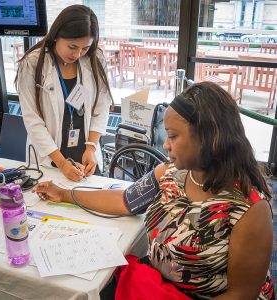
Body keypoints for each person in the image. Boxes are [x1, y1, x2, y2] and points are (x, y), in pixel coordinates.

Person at [33, 82, 274, 299]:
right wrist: (66, 194)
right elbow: (124, 201)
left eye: (173, 136)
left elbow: (242, 295)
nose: (165, 144)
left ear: (209, 137)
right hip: (160, 288)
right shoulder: (171, 172)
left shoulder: (250, 209)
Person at [16, 5, 113, 181]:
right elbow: (33, 121)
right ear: (56, 35)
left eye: (85, 48)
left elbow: (102, 106)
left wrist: (91, 148)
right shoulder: (32, 64)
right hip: (50, 156)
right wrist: (62, 163)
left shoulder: (94, 59)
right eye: (72, 46)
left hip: (85, 153)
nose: (77, 54)